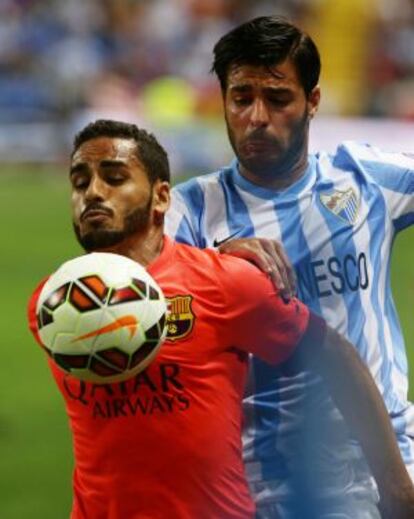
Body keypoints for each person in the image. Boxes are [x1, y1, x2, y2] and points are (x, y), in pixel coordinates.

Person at [27, 119, 414, 519]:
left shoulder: (225, 282)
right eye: (79, 181)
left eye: (114, 177)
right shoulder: (50, 304)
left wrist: (396, 485)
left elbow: (335, 355)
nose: (92, 192)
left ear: (161, 197)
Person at [166, 13, 414, 519]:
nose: (257, 116)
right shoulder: (188, 213)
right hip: (269, 482)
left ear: (313, 102)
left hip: (393, 458)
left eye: (277, 99)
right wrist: (209, 269)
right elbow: (145, 324)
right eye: (241, 98)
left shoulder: (366, 180)